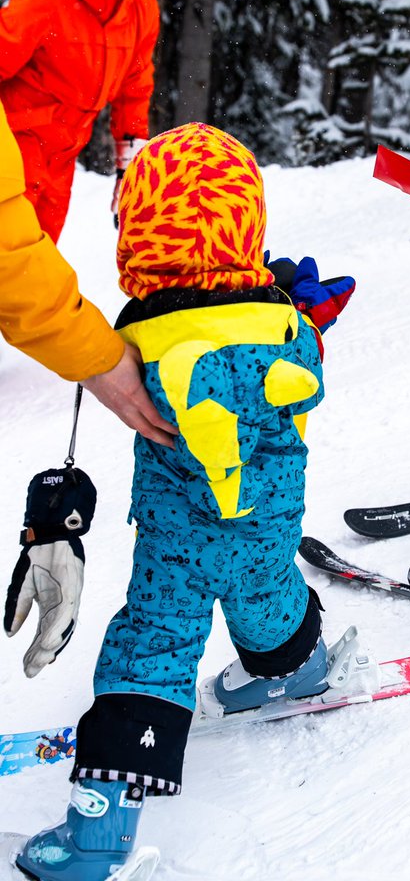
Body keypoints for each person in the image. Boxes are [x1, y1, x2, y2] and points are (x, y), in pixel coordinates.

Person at [12, 123, 355, 881]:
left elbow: (168, 359)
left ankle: (98, 831)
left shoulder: (138, 343)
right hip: (267, 529)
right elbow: (304, 368)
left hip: (178, 552)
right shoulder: (288, 328)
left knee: (151, 651)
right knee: (270, 597)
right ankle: (293, 668)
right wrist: (297, 315)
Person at [0, 99, 174, 445]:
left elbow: (135, 82)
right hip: (27, 149)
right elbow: (10, 254)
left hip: (52, 155)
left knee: (35, 250)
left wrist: (130, 159)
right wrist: (96, 358)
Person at [0, 0, 158, 243]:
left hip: (61, 164)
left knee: (35, 269)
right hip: (14, 155)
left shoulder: (139, 9)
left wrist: (129, 170)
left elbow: (134, 93)